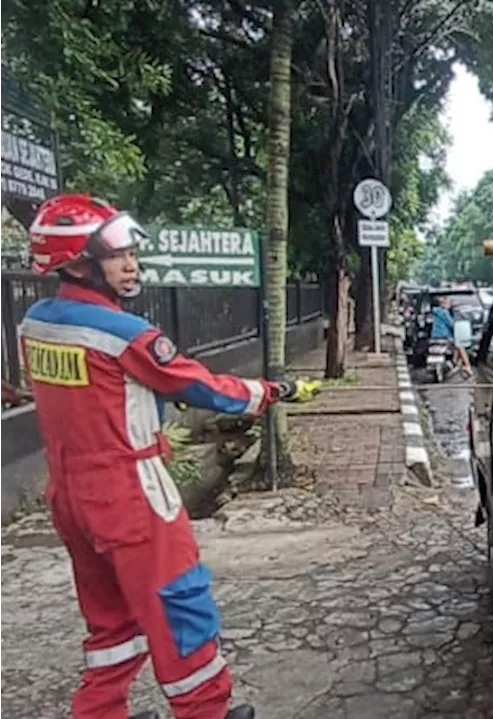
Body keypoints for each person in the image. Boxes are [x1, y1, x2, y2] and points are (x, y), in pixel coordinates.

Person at [18, 194, 320, 719]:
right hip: (130, 490)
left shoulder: (35, 324)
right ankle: (207, 711)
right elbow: (204, 388)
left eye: (131, 252)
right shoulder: (124, 334)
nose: (131, 263)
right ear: (77, 263)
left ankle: (100, 712)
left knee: (110, 622)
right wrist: (275, 391)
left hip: (68, 493)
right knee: (182, 607)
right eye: (115, 255)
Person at [429, 295, 472, 376]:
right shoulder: (444, 312)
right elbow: (452, 325)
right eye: (448, 302)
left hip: (434, 337)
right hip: (444, 337)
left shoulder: (436, 312)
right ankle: (467, 365)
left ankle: (454, 362)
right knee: (460, 346)